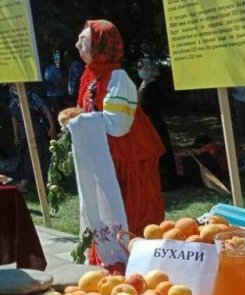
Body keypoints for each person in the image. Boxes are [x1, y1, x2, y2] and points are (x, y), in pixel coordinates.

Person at [63, 19, 165, 237]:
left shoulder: (118, 78)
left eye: (84, 42)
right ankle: (111, 249)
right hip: (107, 155)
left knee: (132, 208)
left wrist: (81, 121)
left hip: (129, 156)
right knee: (107, 208)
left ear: (102, 47)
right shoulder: (91, 75)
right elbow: (86, 111)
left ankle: (133, 251)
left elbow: (117, 126)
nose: (77, 46)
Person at [136, 57, 177, 189]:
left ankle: (166, 179)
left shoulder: (154, 86)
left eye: (141, 67)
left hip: (155, 123)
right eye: (138, 67)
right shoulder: (143, 84)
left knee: (160, 149)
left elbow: (154, 105)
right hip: (146, 123)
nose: (139, 70)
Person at [8, 85, 57, 191]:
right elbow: (14, 118)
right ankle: (30, 182)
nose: (12, 86)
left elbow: (46, 111)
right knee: (24, 156)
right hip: (22, 131)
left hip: (35, 129)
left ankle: (29, 182)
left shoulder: (31, 96)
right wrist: (16, 136)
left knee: (36, 155)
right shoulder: (12, 98)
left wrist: (52, 126)